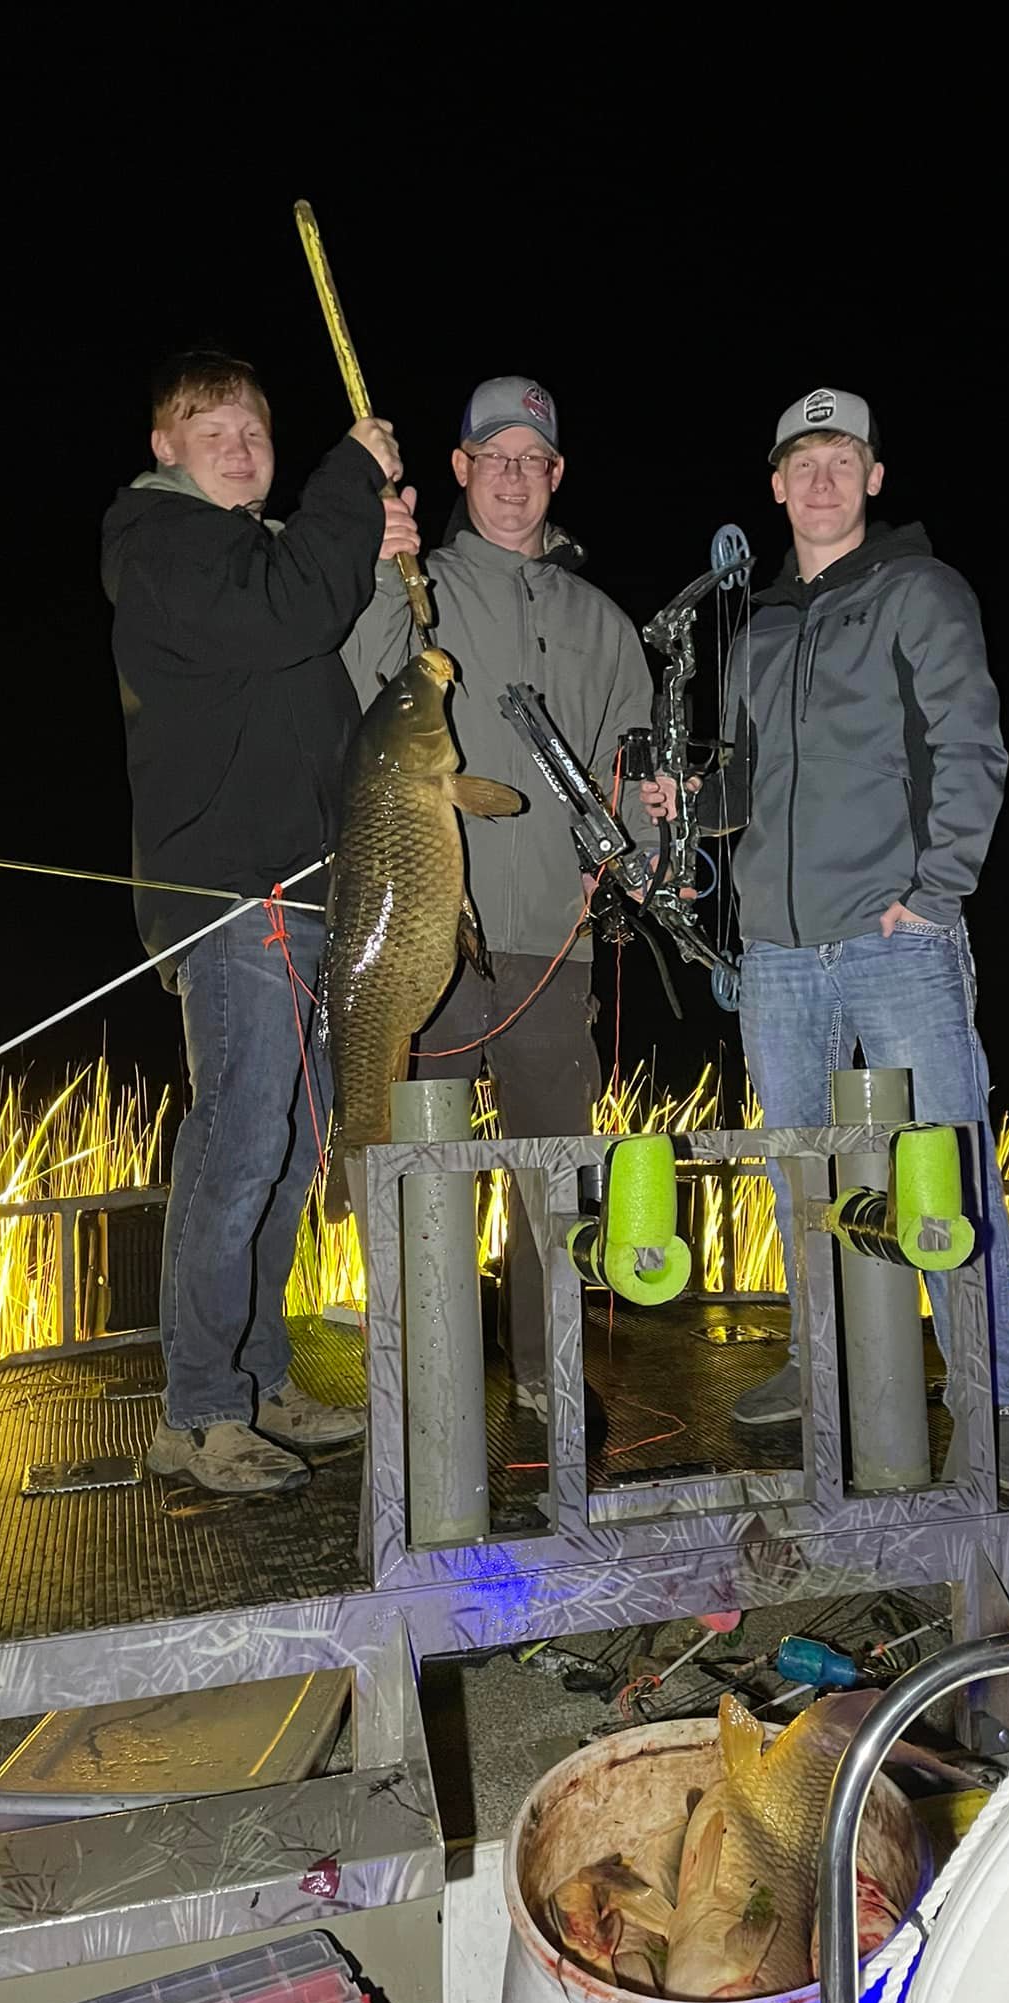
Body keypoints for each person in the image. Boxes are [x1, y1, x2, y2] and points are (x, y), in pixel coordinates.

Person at [643, 387, 1009, 1491]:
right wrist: (689, 798)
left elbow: (971, 744)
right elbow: (748, 784)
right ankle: (816, 1358)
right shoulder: (761, 628)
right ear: (776, 484)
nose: (821, 480)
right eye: (803, 463)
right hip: (778, 958)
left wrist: (936, 891)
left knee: (946, 1174)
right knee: (805, 1180)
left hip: (895, 942)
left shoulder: (920, 589)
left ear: (873, 477)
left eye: (842, 460)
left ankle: (1001, 1397)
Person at [103, 348, 421, 1494]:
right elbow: (289, 606)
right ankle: (197, 1412)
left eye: (254, 432)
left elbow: (311, 610)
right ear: (166, 446)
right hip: (234, 900)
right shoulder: (162, 543)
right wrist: (353, 472)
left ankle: (257, 1370)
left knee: (290, 1149)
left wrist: (366, 550)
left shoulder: (260, 555)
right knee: (238, 1145)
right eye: (213, 431)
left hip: (309, 895)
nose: (240, 449)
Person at [344, 378, 654, 1415]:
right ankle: (423, 1375)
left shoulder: (604, 623)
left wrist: (647, 849)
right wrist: (376, 557)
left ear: (556, 474)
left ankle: (545, 1372)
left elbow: (629, 763)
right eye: (494, 458)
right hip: (428, 938)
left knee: (554, 1174)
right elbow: (358, 677)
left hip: (555, 941)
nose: (514, 478)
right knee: (426, 1162)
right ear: (461, 469)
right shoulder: (414, 584)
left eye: (533, 459)